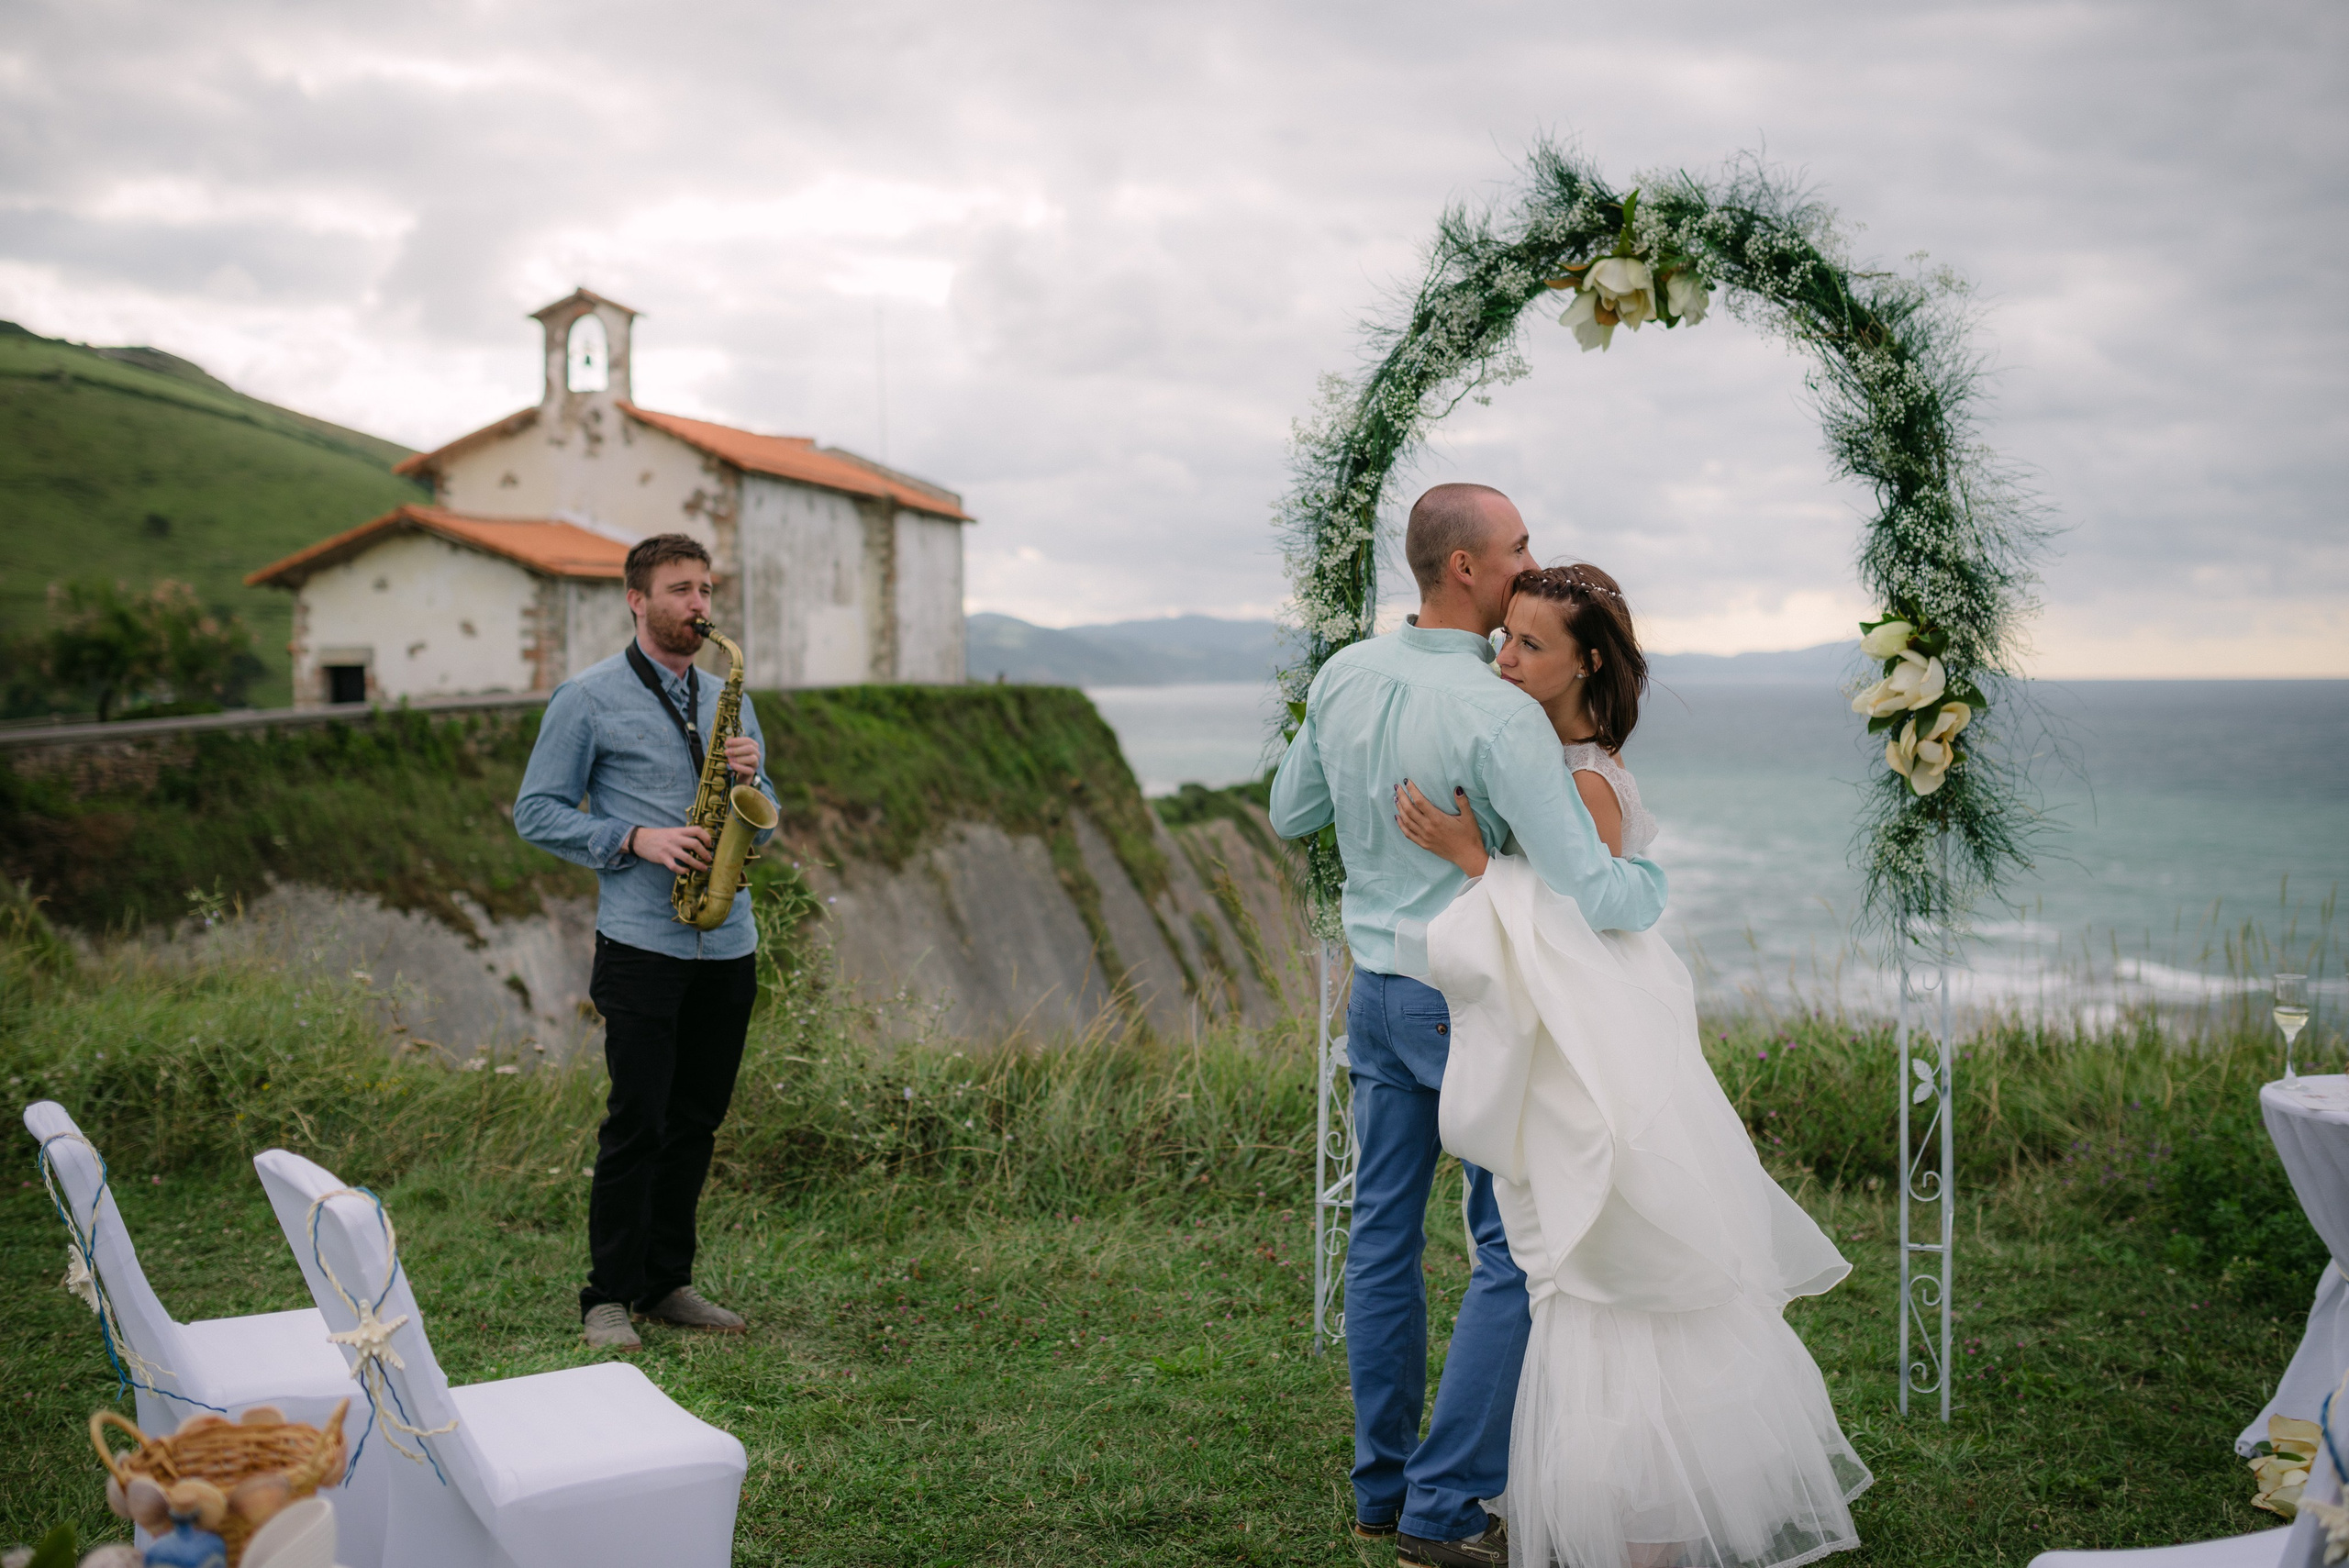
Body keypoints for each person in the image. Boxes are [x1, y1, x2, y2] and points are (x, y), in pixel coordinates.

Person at [1396, 563, 1871, 1568]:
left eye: (1531, 644)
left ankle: (1646, 1522)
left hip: (1590, 1038)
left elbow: (1583, 922)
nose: (1505, 657)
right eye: (1505, 637)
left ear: (1589, 661)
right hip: (1584, 1024)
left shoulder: (1576, 776)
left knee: (1601, 1263)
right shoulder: (1560, 756)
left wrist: (1481, 863)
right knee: (1570, 1267)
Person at [1269, 486, 1669, 1567]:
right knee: (1512, 1247)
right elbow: (1587, 886)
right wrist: (1654, 888)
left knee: (1383, 1233)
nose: (1528, 559)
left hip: (1378, 995)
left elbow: (1289, 810)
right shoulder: (1497, 713)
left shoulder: (1346, 671)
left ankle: (1380, 1491)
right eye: (1518, 545)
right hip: (1469, 1000)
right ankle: (1445, 1510)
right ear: (1464, 569)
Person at [513, 532, 779, 1353]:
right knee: (637, 1120)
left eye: (704, 589)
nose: (699, 605)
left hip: (726, 938)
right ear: (636, 598)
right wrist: (635, 838)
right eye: (680, 590)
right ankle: (608, 1297)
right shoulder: (585, 698)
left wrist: (752, 779)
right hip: (641, 942)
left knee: (696, 1118)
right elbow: (536, 810)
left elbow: (764, 824)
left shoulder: (726, 693)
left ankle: (669, 1282)